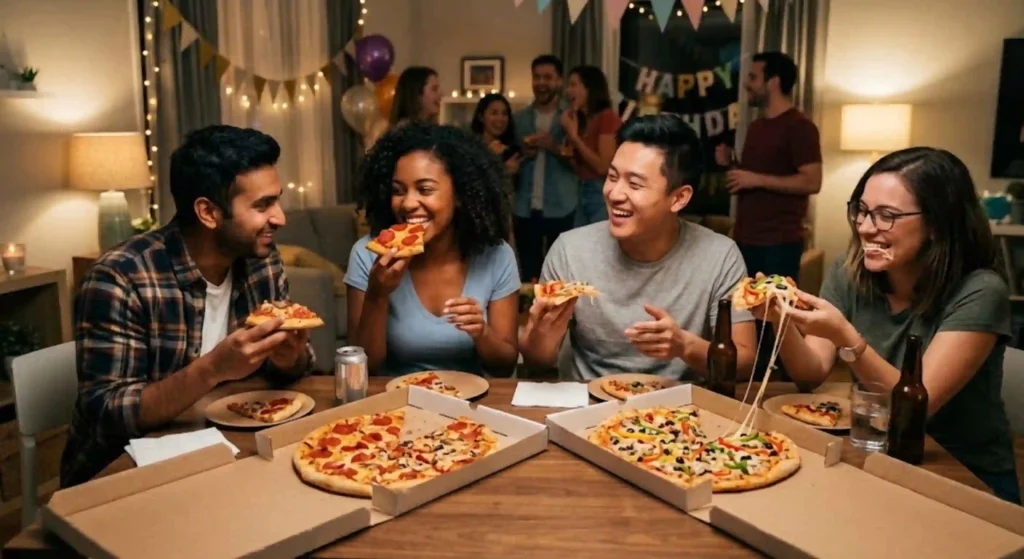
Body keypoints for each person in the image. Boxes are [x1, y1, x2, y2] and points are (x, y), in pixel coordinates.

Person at [757, 148, 1020, 504]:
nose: (865, 227)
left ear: (936, 224)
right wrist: (781, 320)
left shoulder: (981, 290)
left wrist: (847, 338)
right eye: (862, 211)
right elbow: (812, 372)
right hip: (877, 459)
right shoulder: (849, 270)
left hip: (966, 475)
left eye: (886, 216)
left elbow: (912, 409)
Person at [60, 125, 313, 488]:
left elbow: (294, 370)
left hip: (228, 459)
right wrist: (213, 369)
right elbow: (107, 414)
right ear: (208, 213)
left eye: (276, 200)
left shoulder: (261, 260)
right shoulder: (120, 278)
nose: (280, 217)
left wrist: (289, 359)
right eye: (262, 205)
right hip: (120, 482)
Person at [520, 114, 757, 381]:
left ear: (679, 198)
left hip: (682, 414)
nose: (614, 194)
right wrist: (540, 337)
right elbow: (536, 363)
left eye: (634, 184)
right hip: (588, 410)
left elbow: (744, 363)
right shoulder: (570, 250)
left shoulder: (720, 257)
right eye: (612, 177)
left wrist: (684, 346)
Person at [345, 123, 520, 377]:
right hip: (393, 406)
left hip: (469, 405)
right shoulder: (367, 254)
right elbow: (363, 369)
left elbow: (504, 367)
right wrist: (377, 295)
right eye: (398, 191)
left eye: (425, 189)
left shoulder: (497, 255)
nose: (408, 203)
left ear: (460, 195)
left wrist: (482, 332)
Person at [714, 51, 822, 380]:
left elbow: (812, 181)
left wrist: (753, 177)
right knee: (747, 323)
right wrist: (732, 166)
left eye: (753, 77)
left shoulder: (800, 127)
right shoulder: (758, 126)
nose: (746, 84)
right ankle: (747, 394)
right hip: (746, 238)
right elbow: (755, 178)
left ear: (773, 82)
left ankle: (782, 395)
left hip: (779, 242)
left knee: (776, 326)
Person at [513, 54, 579, 282]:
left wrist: (553, 147)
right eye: (537, 77)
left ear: (560, 81)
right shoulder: (519, 118)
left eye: (548, 78)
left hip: (562, 206)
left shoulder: (571, 117)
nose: (541, 83)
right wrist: (523, 154)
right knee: (528, 274)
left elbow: (580, 164)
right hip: (524, 206)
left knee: (560, 275)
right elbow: (511, 159)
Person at [563, 65, 621, 226]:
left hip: (601, 192)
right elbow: (579, 167)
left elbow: (603, 167)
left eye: (573, 85)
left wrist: (574, 137)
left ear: (589, 88)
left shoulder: (607, 117)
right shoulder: (581, 120)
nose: (568, 91)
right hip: (581, 190)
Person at [366, 66, 443, 151]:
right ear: (417, 94)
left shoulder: (430, 129)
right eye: (434, 89)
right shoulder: (403, 133)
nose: (440, 95)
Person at [471, 93, 523, 197]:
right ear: (481, 117)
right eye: (494, 113)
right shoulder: (470, 147)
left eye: (504, 114)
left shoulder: (512, 152)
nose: (500, 119)